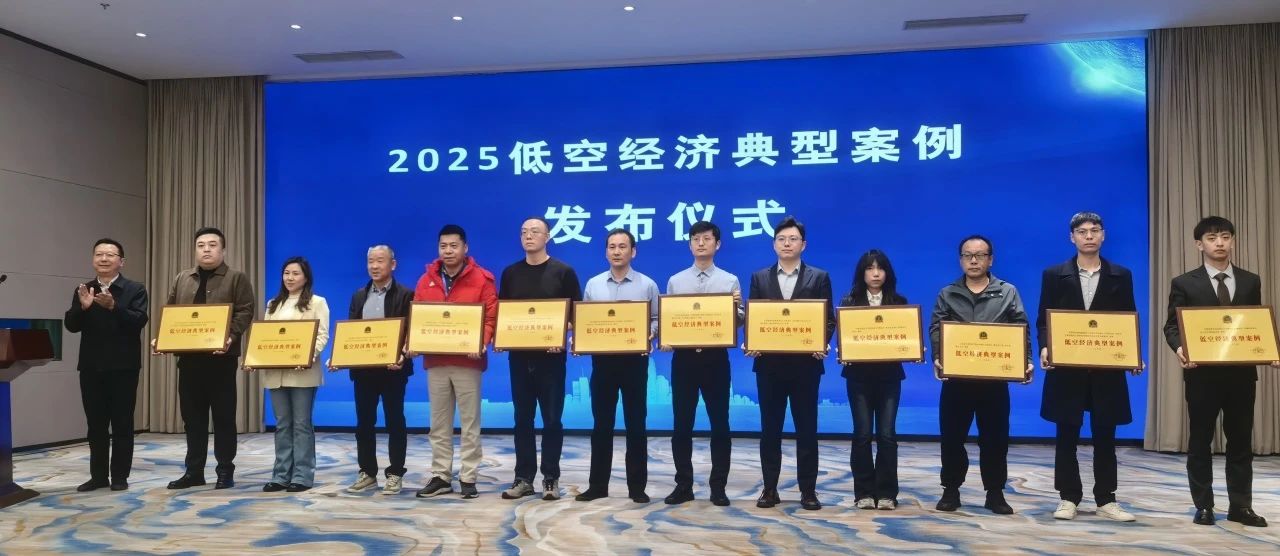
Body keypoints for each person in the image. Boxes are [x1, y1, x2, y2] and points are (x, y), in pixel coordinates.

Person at [1163, 216, 1279, 527]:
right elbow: (1172, 326)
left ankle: (1241, 506)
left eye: (1225, 237)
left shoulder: (1251, 280)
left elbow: (1254, 324)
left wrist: (1268, 350)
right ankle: (1204, 505)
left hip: (1241, 375)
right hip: (1202, 375)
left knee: (1240, 442)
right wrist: (1180, 349)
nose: (1219, 243)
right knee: (1200, 440)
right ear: (1199, 244)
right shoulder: (1184, 283)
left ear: (1233, 241)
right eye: (1212, 238)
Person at [1035, 212, 1140, 522]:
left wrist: (1133, 354)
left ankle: (1106, 499)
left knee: (1105, 436)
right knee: (1066, 434)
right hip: (1067, 369)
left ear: (1103, 235)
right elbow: (1044, 319)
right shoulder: (1054, 274)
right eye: (1082, 231)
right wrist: (1045, 346)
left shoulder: (1121, 274)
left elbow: (1127, 319)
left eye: (1095, 230)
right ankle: (1068, 497)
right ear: (1072, 237)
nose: (1089, 236)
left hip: (1106, 369)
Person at [929, 234, 1032, 514]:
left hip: (993, 380)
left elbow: (1020, 328)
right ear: (960, 259)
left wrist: (1025, 361)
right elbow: (937, 328)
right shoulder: (948, 293)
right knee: (952, 437)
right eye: (967, 255)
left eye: (980, 255)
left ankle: (995, 492)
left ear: (991, 259)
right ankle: (951, 489)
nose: (973, 260)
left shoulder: (1007, 291)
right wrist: (939, 357)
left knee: (995, 439)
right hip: (957, 380)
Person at [746, 216, 834, 511]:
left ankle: (808, 491)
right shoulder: (759, 278)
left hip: (805, 367)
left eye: (793, 239)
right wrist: (752, 341)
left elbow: (828, 320)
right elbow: (754, 318)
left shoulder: (818, 277)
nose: (787, 244)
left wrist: (821, 342)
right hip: (769, 367)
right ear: (774, 244)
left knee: (806, 430)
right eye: (782, 239)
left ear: (803, 245)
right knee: (769, 430)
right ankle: (769, 489)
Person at [163, 227, 256, 490]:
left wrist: (231, 336)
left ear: (223, 250)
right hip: (189, 360)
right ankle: (194, 472)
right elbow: (171, 313)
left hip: (221, 360)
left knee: (224, 418)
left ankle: (225, 470)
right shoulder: (182, 278)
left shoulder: (236, 278)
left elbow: (245, 311)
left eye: (212, 245)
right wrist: (163, 338)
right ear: (195, 249)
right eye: (201, 245)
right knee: (192, 419)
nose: (206, 249)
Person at [410, 225, 498, 500]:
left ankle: (468, 476)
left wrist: (481, 341)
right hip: (436, 362)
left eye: (453, 246)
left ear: (465, 248)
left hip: (467, 363)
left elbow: (490, 317)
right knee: (438, 424)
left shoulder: (482, 279)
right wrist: (413, 342)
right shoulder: (426, 280)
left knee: (470, 424)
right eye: (443, 246)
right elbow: (418, 318)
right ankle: (441, 476)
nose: (448, 251)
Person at [498, 216, 582, 501]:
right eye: (524, 232)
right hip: (519, 359)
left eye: (535, 231)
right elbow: (504, 313)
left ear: (548, 237)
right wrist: (503, 337)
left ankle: (550, 478)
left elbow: (576, 315)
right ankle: (523, 478)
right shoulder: (510, 273)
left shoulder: (563, 272)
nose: (528, 236)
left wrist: (559, 334)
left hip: (551, 359)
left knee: (552, 420)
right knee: (522, 419)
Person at [575, 229, 660, 504]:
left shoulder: (647, 285)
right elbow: (586, 320)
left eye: (622, 246)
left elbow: (657, 319)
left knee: (636, 425)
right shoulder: (594, 285)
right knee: (601, 425)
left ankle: (637, 487)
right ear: (606, 252)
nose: (617, 251)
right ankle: (597, 485)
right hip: (603, 364)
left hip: (635, 362)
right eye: (611, 246)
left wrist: (649, 334)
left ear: (633, 251)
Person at [661, 221, 742, 507]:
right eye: (695, 239)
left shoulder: (729, 280)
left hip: (715, 359)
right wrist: (666, 337)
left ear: (717, 244)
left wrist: (736, 308)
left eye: (706, 239)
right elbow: (669, 319)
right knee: (681, 425)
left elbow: (739, 321)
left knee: (720, 424)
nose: (701, 243)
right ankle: (683, 485)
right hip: (684, 361)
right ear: (689, 245)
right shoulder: (676, 281)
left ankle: (718, 487)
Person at [64, 238, 149, 492]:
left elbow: (138, 321)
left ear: (121, 261)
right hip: (91, 367)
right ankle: (98, 476)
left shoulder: (135, 289)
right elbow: (71, 326)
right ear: (93, 259)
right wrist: (82, 308)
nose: (104, 259)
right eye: (99, 254)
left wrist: (114, 307)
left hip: (123, 367)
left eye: (110, 255)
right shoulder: (84, 289)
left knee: (122, 423)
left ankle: (120, 476)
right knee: (95, 424)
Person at [337, 245, 414, 495]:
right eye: (370, 261)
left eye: (380, 261)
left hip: (393, 370)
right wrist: (341, 356)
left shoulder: (405, 294)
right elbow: (351, 333)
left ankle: (395, 473)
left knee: (395, 422)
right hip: (364, 372)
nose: (374, 266)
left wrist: (402, 355)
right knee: (364, 424)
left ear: (393, 264)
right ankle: (367, 472)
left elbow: (410, 332)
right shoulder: (359, 295)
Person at [250, 257, 329, 493]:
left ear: (306, 277)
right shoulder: (273, 304)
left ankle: (302, 475)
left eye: (295, 273)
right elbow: (266, 338)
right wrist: (255, 358)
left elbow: (322, 335)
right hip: (276, 374)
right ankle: (281, 475)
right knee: (283, 424)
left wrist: (306, 356)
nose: (290, 278)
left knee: (302, 424)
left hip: (303, 374)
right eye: (286, 273)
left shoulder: (317, 302)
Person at [839, 249, 907, 511]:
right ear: (862, 273)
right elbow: (845, 338)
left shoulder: (899, 302)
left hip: (889, 378)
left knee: (887, 435)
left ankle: (887, 493)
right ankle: (864, 493)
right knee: (862, 434)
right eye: (870, 268)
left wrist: (912, 349)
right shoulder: (850, 302)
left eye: (880, 268)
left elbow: (906, 337)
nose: (876, 273)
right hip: (859, 378)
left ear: (887, 273)